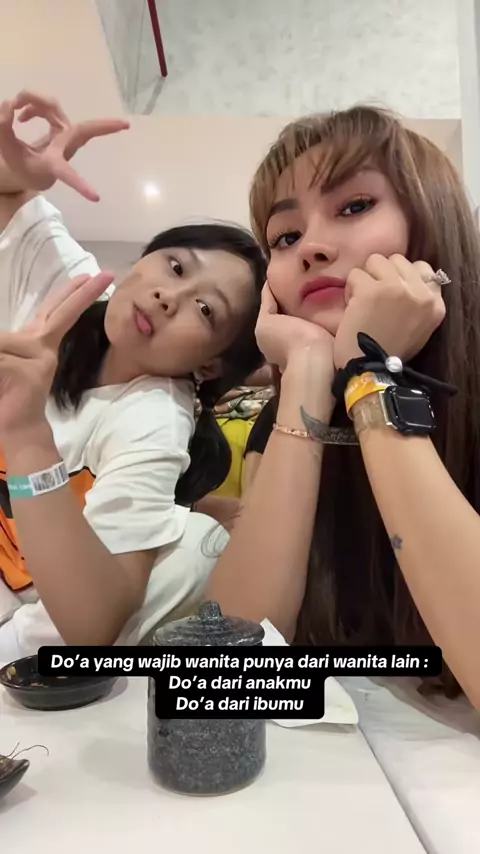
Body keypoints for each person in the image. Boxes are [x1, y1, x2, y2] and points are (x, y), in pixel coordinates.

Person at [207, 104, 480, 711]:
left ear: (431, 219)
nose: (312, 247)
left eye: (354, 206)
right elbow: (226, 673)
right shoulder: (283, 419)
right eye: (285, 237)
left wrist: (373, 376)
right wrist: (310, 370)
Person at [0, 91, 266, 659]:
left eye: (205, 310)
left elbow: (94, 623)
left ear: (210, 363)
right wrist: (16, 177)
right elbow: (10, 205)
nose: (170, 296)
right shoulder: (74, 292)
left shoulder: (154, 419)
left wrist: (27, 437)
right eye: (176, 265)